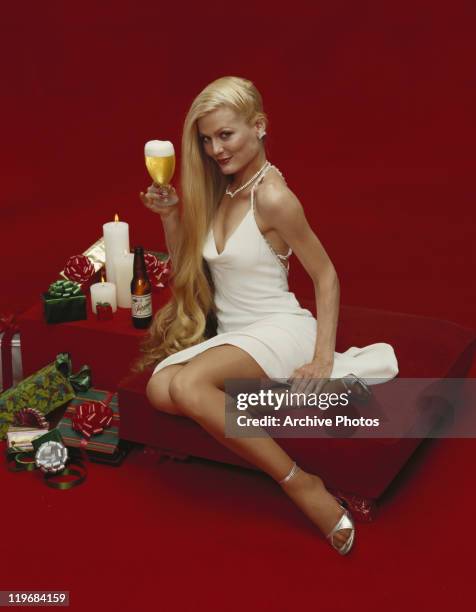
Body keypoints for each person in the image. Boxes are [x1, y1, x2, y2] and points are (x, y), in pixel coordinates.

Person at [138, 76, 399, 555]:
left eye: (226, 134)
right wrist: (171, 216)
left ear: (258, 127)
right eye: (206, 139)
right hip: (239, 336)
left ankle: (301, 484)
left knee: (189, 386)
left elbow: (326, 275)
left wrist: (322, 357)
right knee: (160, 389)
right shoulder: (222, 191)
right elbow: (187, 271)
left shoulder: (273, 197)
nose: (216, 149)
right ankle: (273, 396)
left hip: (280, 328)